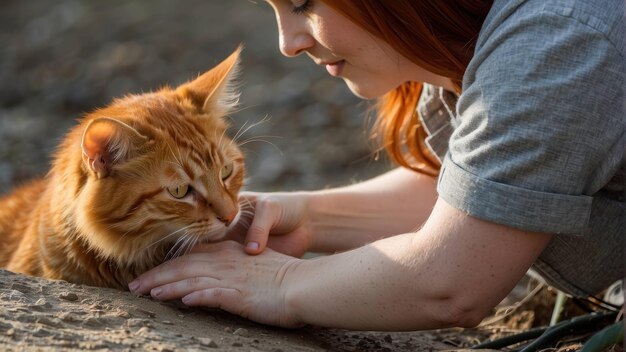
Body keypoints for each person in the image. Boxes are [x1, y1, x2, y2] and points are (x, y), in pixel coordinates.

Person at [128, 0, 625, 330]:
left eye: (303, 3)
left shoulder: (554, 47)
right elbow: (477, 192)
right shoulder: (463, 41)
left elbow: (451, 283)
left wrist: (280, 284)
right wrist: (308, 215)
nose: (288, 42)